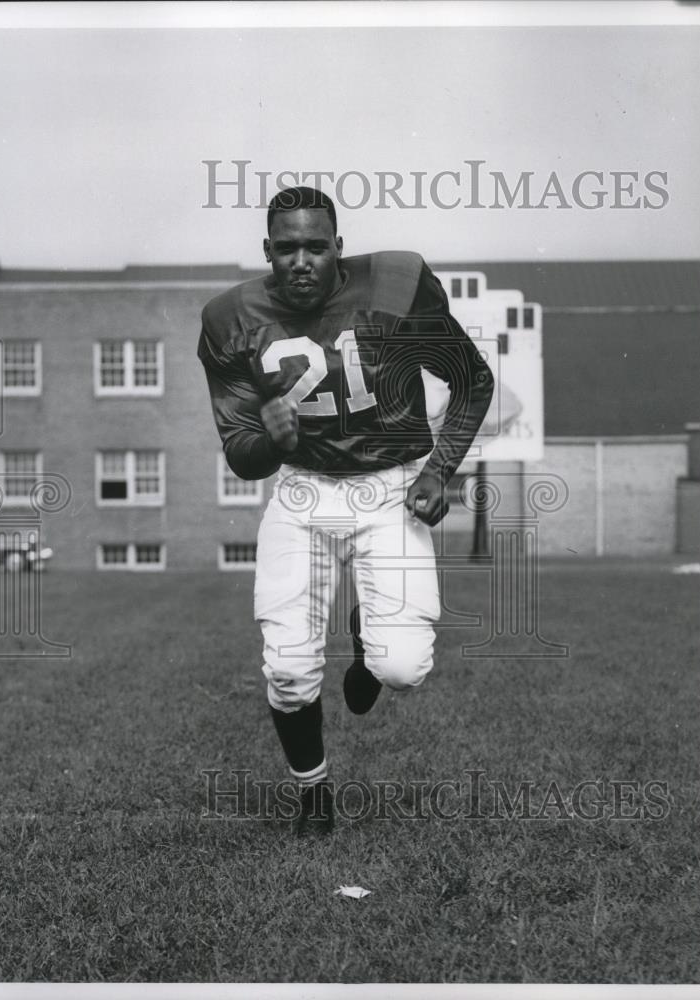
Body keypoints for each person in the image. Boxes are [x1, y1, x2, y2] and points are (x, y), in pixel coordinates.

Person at [198, 187, 494, 834]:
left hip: (391, 486)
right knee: (287, 667)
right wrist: (269, 440)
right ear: (267, 252)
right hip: (304, 490)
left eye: (314, 246)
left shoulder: (396, 286)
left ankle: (365, 646)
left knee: (403, 668)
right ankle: (314, 793)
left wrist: (438, 472)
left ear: (338, 247)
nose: (300, 260)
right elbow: (242, 456)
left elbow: (472, 380)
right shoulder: (230, 318)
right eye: (286, 248)